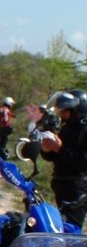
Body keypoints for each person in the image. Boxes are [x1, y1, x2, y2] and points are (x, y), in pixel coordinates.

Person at [40, 89, 87, 228]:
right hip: (62, 185)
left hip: (77, 188)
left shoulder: (85, 131)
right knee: (59, 226)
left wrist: (59, 149)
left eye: (65, 110)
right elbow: (55, 156)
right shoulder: (67, 128)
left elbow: (84, 163)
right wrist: (47, 150)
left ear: (77, 110)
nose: (61, 113)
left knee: (71, 230)